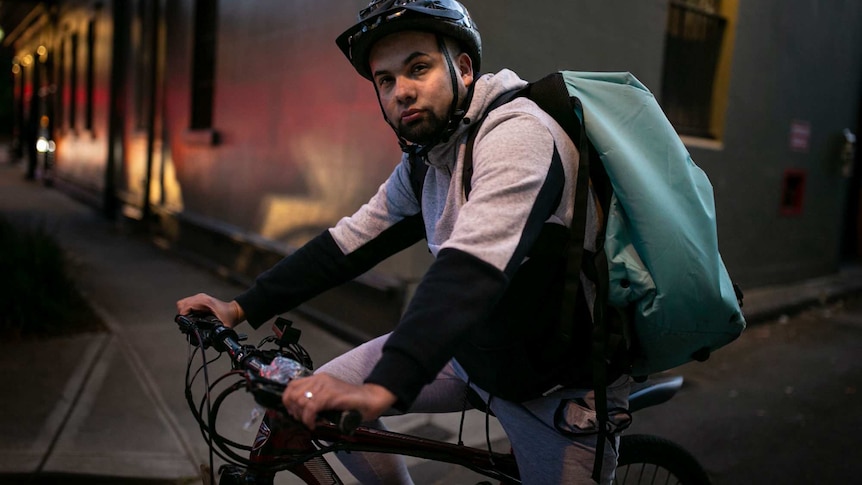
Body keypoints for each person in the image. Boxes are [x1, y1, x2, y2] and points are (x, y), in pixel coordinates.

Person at [177, 1, 631, 483]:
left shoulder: (518, 135)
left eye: (418, 68)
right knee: (325, 397)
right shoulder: (428, 160)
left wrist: (388, 385)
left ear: (463, 68)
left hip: (557, 384)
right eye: (386, 80)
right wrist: (241, 307)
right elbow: (348, 243)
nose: (401, 92)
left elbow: (472, 264)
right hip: (472, 355)